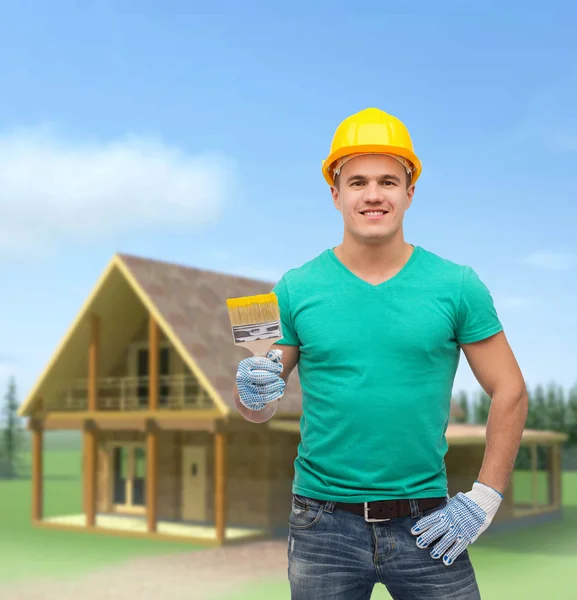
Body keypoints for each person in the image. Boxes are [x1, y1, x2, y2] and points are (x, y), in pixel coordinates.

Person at [233, 107, 528, 599]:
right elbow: (257, 411)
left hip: (429, 523)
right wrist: (249, 390)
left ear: (410, 192)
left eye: (388, 181)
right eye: (358, 182)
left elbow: (510, 390)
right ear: (336, 194)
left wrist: (485, 497)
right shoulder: (292, 289)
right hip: (321, 527)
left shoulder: (456, 285)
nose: (373, 195)